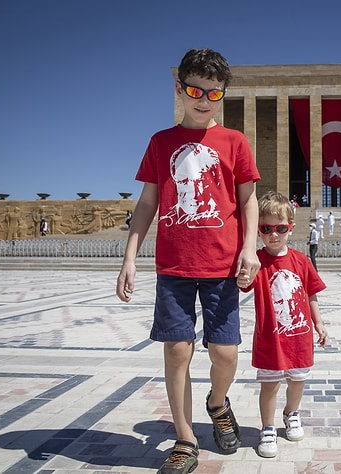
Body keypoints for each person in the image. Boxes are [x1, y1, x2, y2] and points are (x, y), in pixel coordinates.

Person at [115, 48, 261, 473]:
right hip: (174, 266)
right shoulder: (161, 142)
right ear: (180, 88)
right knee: (177, 350)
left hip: (222, 266)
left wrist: (249, 248)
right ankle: (184, 437)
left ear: (223, 95)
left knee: (226, 353)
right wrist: (130, 256)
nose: (203, 99)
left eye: (214, 94)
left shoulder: (235, 142)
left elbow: (248, 203)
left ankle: (217, 403)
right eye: (195, 90)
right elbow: (146, 205)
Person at [236, 191, 328, 459]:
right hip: (270, 339)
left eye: (280, 228)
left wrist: (319, 323)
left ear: (291, 227)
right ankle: (267, 428)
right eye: (265, 228)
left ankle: (291, 413)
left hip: (299, 338)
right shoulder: (257, 260)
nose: (273, 234)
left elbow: (311, 294)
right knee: (270, 386)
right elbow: (245, 283)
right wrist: (242, 279)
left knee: (297, 383)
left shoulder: (301, 260)